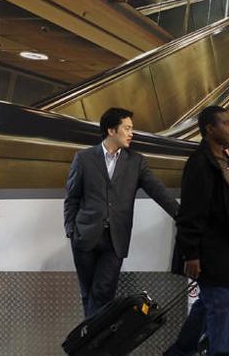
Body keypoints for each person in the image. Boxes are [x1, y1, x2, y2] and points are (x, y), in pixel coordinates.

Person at [64, 107, 179, 318]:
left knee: (103, 292)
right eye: (127, 128)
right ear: (111, 130)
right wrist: (71, 229)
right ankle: (92, 343)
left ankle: (93, 344)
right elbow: (72, 198)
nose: (131, 133)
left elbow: (157, 191)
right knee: (88, 293)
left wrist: (181, 216)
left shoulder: (136, 162)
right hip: (84, 236)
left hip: (115, 239)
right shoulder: (84, 158)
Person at [166, 106, 229, 356]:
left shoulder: (227, 162)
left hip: (225, 249)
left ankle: (179, 352)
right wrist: (191, 254)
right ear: (209, 129)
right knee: (219, 304)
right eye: (225, 123)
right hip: (206, 249)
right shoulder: (200, 163)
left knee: (208, 303)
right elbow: (190, 213)